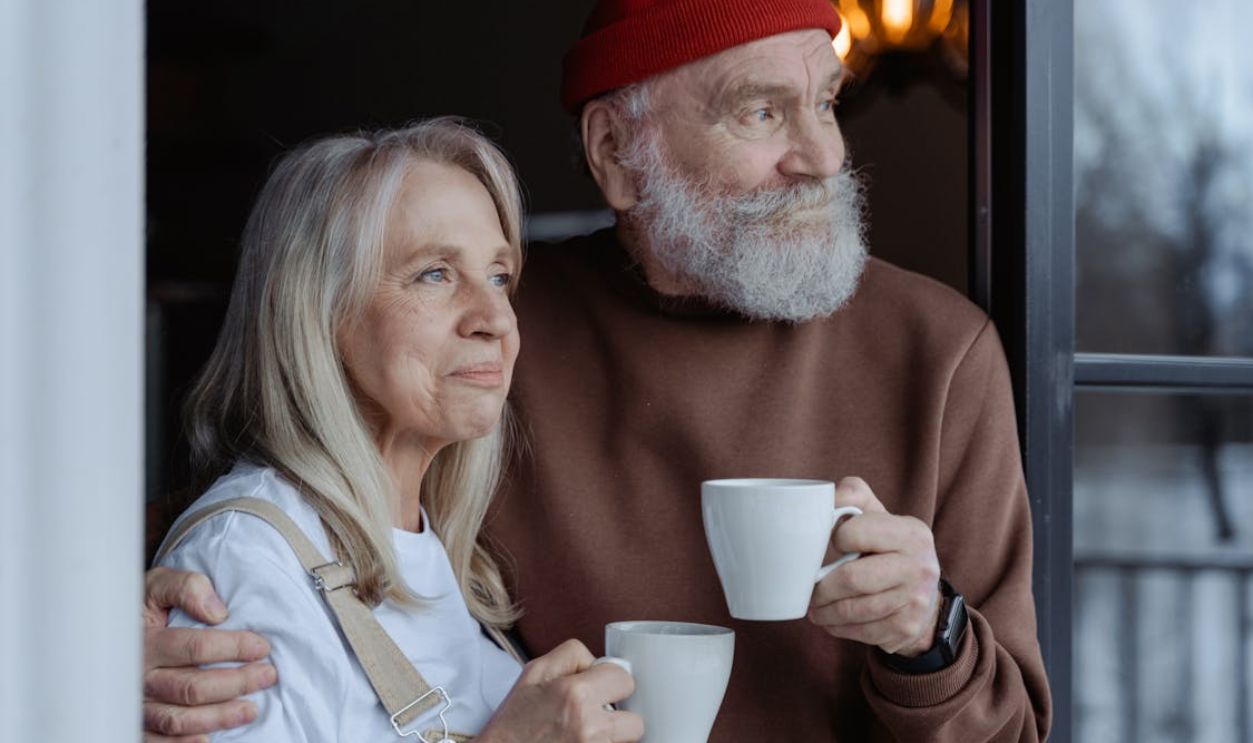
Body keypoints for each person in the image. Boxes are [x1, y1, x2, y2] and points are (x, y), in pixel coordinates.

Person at [143, 1, 1053, 740]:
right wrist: (111, 631)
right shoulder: (489, 341)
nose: (822, 156)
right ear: (617, 153)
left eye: (825, 102)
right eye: (761, 110)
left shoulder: (938, 351)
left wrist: (927, 638)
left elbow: (1012, 731)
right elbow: (277, 506)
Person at [147, 118, 643, 742]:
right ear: (318, 310)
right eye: (434, 274)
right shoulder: (243, 562)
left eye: (498, 276)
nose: (495, 317)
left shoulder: (437, 552)